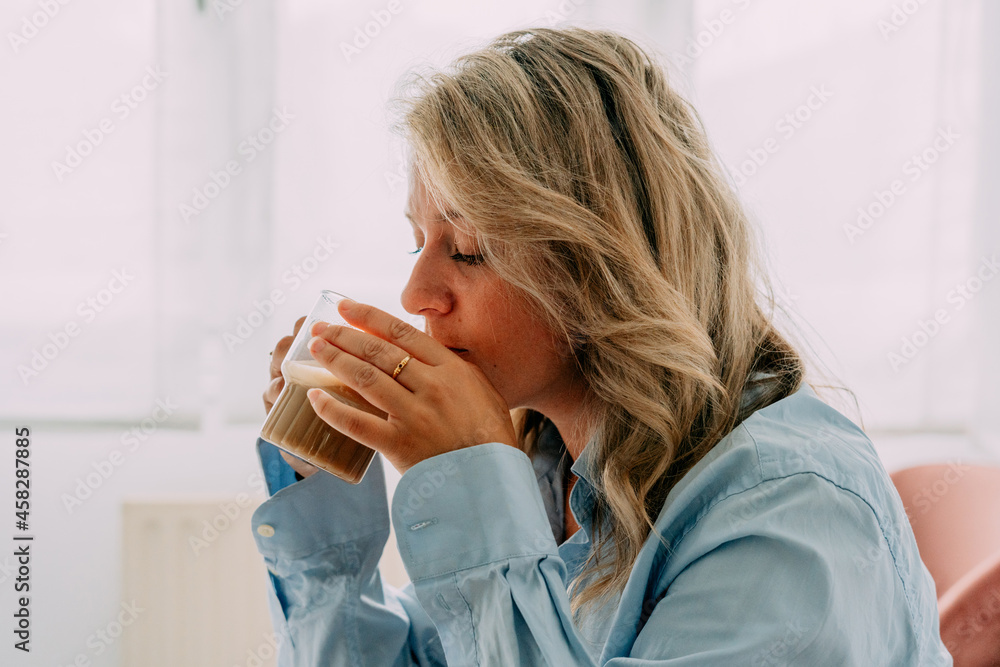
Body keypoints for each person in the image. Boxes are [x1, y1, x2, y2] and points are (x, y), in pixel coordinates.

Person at [251, 27, 952, 666]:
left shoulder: (786, 511)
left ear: (605, 265)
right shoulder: (550, 464)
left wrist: (470, 488)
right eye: (418, 241)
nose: (415, 294)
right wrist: (323, 487)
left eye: (467, 248)